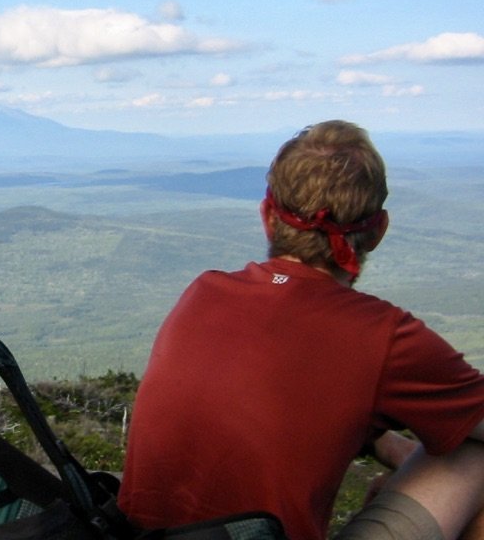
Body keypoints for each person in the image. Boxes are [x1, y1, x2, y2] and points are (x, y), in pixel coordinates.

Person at [118, 120, 484, 540]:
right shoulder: (385, 335)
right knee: (476, 456)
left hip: (136, 536)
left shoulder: (204, 290)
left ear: (268, 216)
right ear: (379, 230)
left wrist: (388, 446)